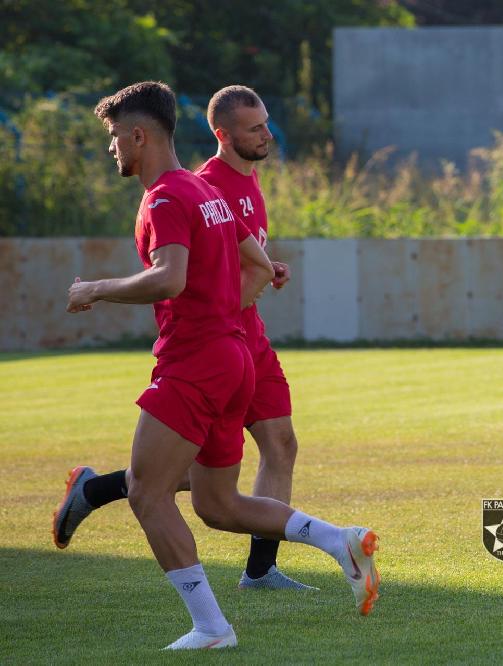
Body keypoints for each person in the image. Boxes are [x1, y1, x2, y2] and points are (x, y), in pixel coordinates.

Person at [58, 81, 379, 650]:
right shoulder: (202, 189)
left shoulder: (165, 198)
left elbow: (170, 278)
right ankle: (339, 540)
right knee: (217, 503)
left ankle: (211, 627)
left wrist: (96, 288)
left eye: (115, 136)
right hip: (233, 357)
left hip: (195, 360)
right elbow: (257, 257)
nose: (112, 147)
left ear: (139, 135)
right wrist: (254, 281)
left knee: (147, 492)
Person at [54, 84, 311, 592]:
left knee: (278, 445)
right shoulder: (202, 184)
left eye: (265, 123)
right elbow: (191, 277)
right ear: (223, 135)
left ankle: (261, 570)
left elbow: (238, 258)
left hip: (245, 340)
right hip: (219, 343)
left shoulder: (247, 180)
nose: (266, 134)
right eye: (255, 128)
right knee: (197, 471)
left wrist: (265, 266)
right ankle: (98, 491)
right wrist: (232, 303)